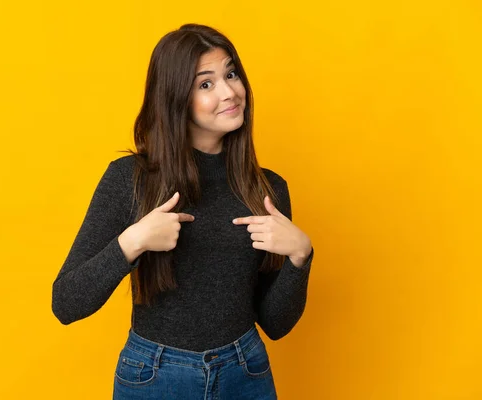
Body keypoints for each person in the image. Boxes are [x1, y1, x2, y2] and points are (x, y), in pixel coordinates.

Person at [52, 23, 314, 400]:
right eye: (205, 84)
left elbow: (275, 324)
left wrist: (299, 257)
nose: (229, 92)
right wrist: (132, 242)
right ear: (175, 99)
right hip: (155, 377)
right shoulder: (132, 179)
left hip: (245, 371)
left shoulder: (267, 189)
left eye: (231, 73)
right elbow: (66, 303)